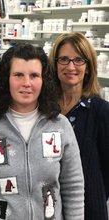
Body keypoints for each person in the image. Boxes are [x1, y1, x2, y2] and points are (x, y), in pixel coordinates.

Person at [0, 43, 84, 219]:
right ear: (6, 79)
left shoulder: (60, 126)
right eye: (18, 75)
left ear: (44, 80)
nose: (27, 83)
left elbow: (73, 188)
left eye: (34, 75)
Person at [49, 32, 109, 220]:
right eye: (64, 59)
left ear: (88, 66)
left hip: (89, 210)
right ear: (55, 64)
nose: (71, 66)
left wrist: (94, 194)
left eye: (78, 60)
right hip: (50, 209)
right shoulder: (45, 109)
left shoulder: (100, 111)